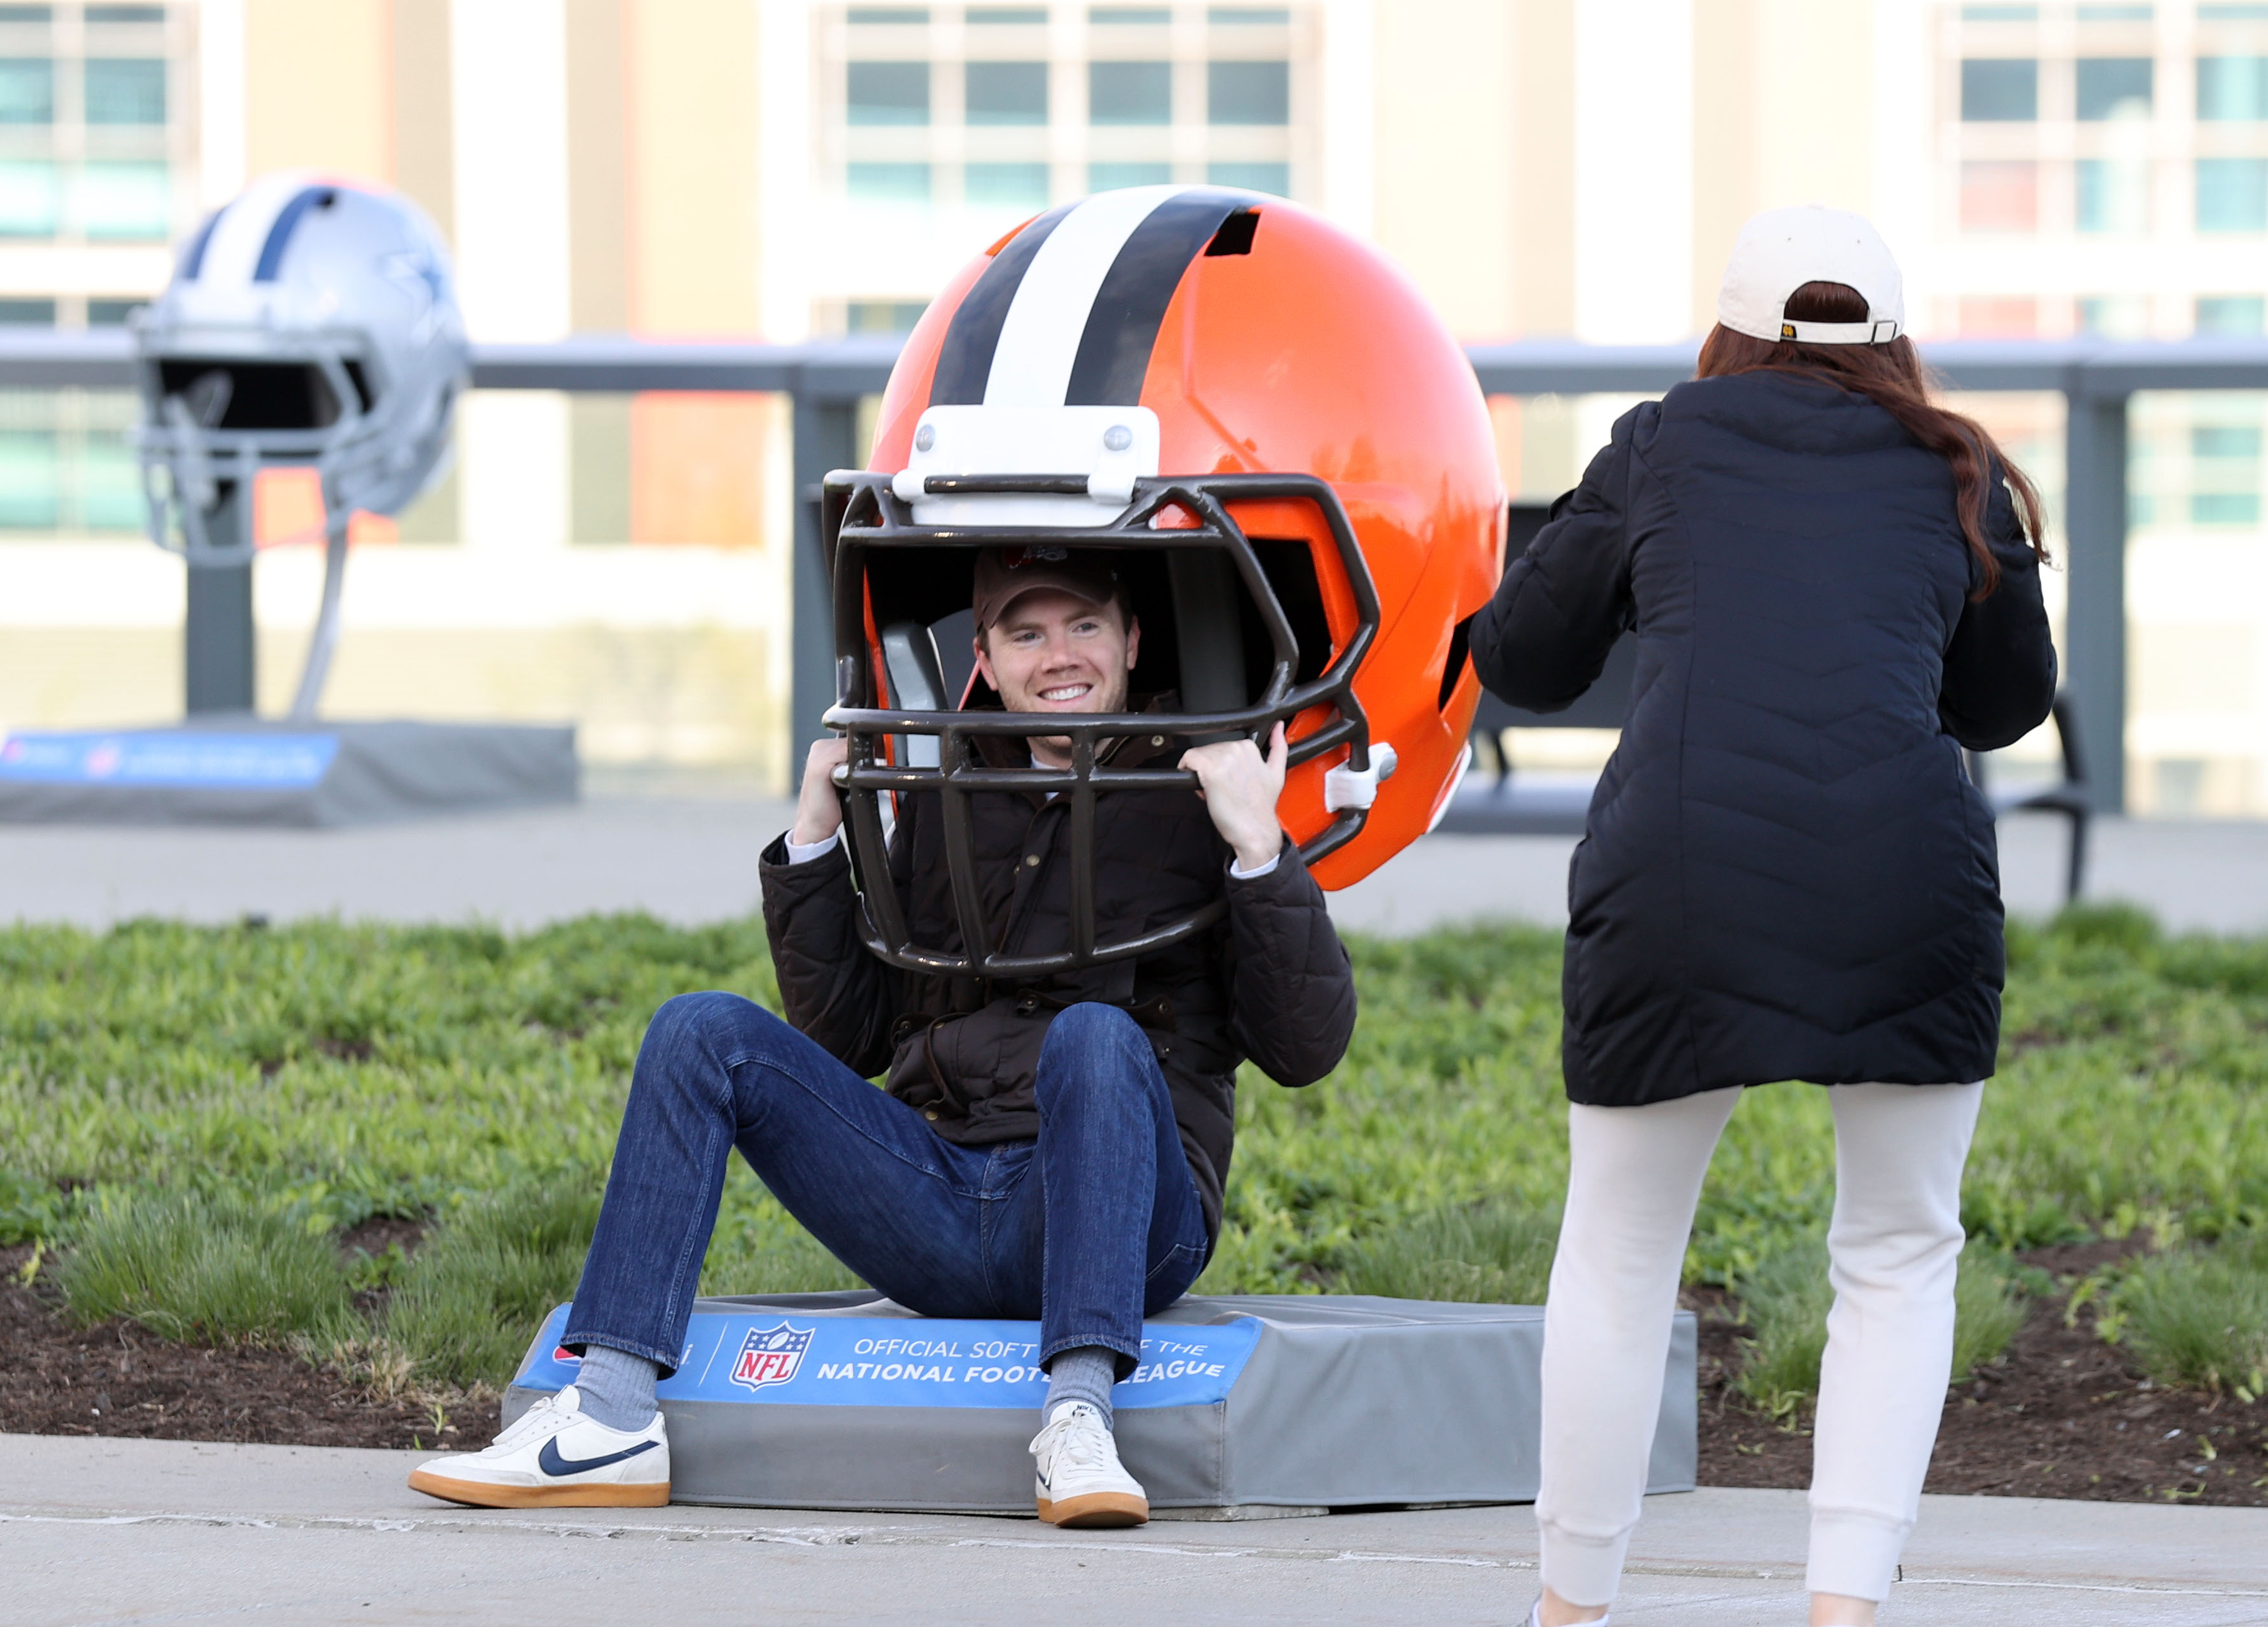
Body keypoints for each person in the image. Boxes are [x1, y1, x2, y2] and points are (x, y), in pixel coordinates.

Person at [407, 545, 1355, 1524]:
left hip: (1119, 1210)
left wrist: (1259, 849)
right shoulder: (947, 787)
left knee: (1093, 1036)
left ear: (1132, 640)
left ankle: (1078, 1420)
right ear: (983, 656)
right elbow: (848, 1037)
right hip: (938, 1194)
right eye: (1026, 634)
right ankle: (607, 1414)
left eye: (1084, 627)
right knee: (700, 1031)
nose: (1058, 656)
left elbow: (1304, 1047)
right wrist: (817, 838)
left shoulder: (1203, 784)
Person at [1466, 206, 2056, 1627]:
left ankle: (1572, 1607)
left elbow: (1525, 658)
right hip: (1905, 879)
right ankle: (1843, 1608)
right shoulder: (1960, 472)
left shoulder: (1660, 442)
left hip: (1680, 880)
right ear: (1897, 345)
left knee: (1619, 1249)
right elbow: (2004, 704)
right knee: (1901, 1252)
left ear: (1729, 333)